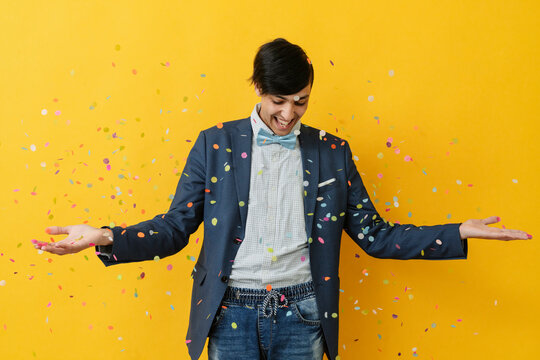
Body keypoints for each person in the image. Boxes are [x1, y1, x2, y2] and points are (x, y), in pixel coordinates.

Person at [34, 38, 532, 360]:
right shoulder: (215, 143)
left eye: (301, 102)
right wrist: (105, 235)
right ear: (257, 88)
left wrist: (457, 232)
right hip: (229, 314)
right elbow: (174, 228)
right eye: (278, 102)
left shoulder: (332, 152)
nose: (289, 114)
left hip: (303, 313)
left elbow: (376, 236)